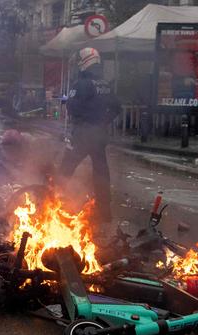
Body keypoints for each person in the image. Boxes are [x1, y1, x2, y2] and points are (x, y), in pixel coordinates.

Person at [60, 47, 120, 224]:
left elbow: (72, 107)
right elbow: (117, 107)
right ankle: (105, 212)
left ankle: (52, 201)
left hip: (82, 134)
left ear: (84, 62)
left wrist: (83, 121)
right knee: (101, 172)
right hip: (99, 134)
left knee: (65, 168)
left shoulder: (81, 84)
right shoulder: (104, 83)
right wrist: (103, 121)